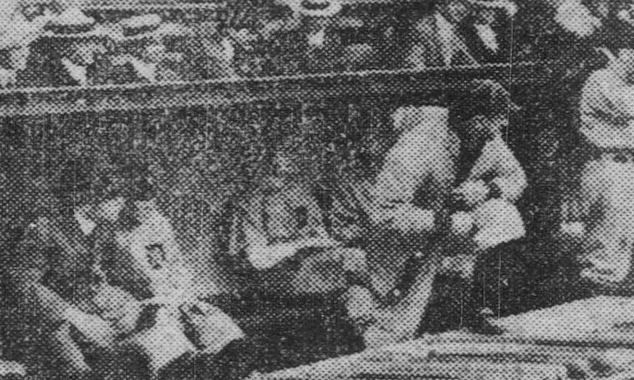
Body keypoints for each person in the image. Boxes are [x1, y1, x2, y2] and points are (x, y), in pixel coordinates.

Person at [10, 161, 245, 380]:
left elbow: (117, 277)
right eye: (116, 201)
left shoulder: (103, 229)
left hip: (104, 310)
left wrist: (152, 300)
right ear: (89, 202)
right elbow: (24, 285)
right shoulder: (44, 229)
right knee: (87, 378)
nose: (122, 207)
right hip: (61, 321)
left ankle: (193, 366)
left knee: (169, 322)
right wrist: (77, 317)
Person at [351, 81, 527, 345]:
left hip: (446, 231)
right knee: (392, 331)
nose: (501, 127)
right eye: (496, 120)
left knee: (502, 215)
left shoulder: (487, 139)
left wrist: (486, 190)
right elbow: (383, 215)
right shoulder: (418, 145)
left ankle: (471, 302)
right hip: (401, 242)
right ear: (476, 120)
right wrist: (444, 222)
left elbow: (516, 178)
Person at [559, 4, 634, 294]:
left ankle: (600, 313)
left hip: (632, 168)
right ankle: (581, 315)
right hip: (607, 165)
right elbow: (628, 108)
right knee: (602, 252)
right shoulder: (601, 79)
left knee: (622, 250)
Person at [224, 142, 361, 298]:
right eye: (274, 172)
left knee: (353, 257)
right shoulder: (251, 205)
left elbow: (320, 236)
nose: (281, 182)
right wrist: (299, 246)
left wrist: (315, 243)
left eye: (288, 176)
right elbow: (258, 258)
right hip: (275, 272)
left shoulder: (302, 199)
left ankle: (368, 300)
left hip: (306, 265)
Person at [22, 8, 114, 87]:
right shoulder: (52, 66)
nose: (87, 47)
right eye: (77, 42)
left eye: (88, 42)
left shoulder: (101, 65)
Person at [98, 14, 187, 84]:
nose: (161, 48)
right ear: (137, 47)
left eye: (161, 43)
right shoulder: (121, 72)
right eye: (153, 44)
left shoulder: (166, 73)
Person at [399, 0, 483, 69]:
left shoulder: (456, 29)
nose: (462, 10)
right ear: (439, 6)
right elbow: (413, 69)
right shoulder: (422, 29)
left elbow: (468, 63)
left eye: (467, 5)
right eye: (455, 4)